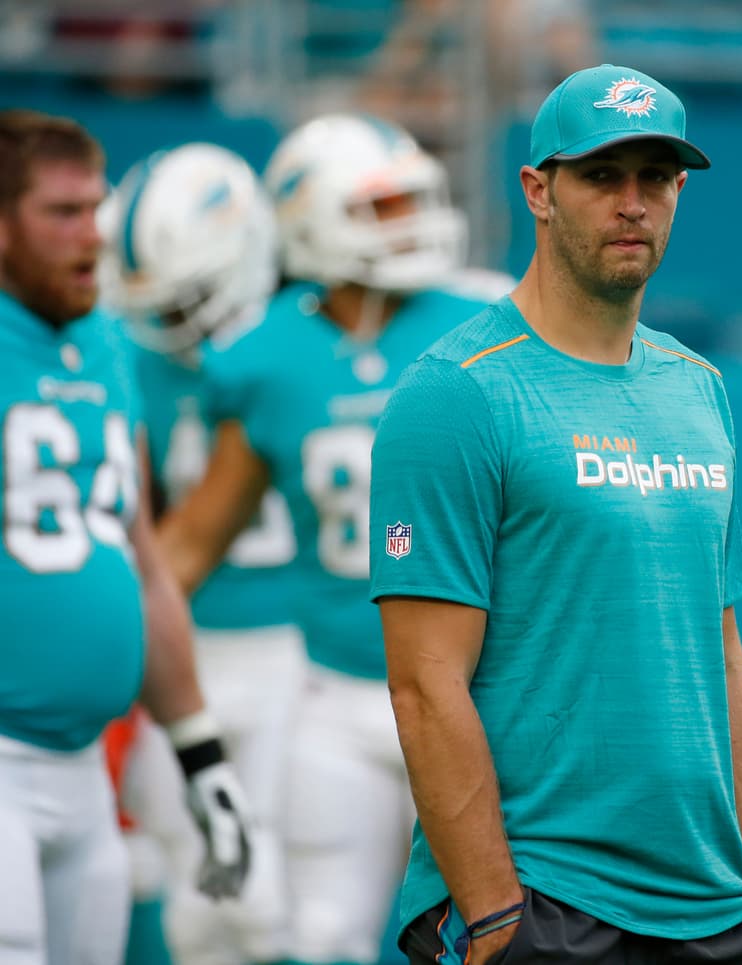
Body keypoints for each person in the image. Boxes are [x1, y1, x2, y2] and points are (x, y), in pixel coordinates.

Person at [370, 64, 742, 965]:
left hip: (715, 907)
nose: (633, 203)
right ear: (538, 190)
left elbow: (722, 647)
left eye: (656, 178)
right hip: (547, 900)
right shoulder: (456, 393)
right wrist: (492, 918)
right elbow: (424, 685)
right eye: (601, 176)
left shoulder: (700, 388)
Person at [155, 112, 510, 965]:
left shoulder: (490, 318)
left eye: (414, 201)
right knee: (323, 939)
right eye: (385, 206)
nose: (413, 222)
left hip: (480, 696)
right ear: (315, 220)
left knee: (505, 936)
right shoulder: (265, 354)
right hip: (336, 695)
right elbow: (193, 539)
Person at [0, 110, 252, 965]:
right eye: (61, 213)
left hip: (83, 775)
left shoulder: (107, 343)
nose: (90, 236)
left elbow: (145, 567)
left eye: (95, 209)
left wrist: (201, 754)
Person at [98, 142, 303, 965]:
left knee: (285, 905)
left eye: (187, 301)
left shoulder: (307, 337)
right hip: (187, 648)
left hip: (301, 651)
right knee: (195, 900)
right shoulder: (128, 356)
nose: (172, 326)